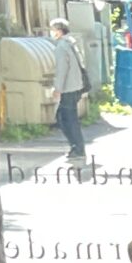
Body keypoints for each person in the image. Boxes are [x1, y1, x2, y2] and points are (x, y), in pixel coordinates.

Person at [48, 16, 90, 164]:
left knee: (67, 119)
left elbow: (62, 70)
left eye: (53, 30)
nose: (51, 32)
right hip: (77, 86)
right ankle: (76, 147)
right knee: (67, 118)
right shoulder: (71, 43)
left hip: (68, 88)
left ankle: (77, 148)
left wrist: (57, 89)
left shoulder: (61, 47)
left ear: (59, 31)